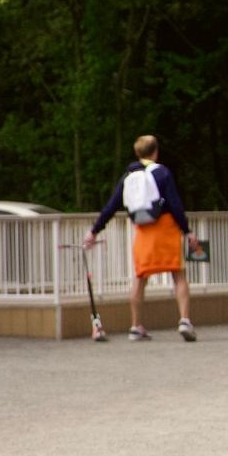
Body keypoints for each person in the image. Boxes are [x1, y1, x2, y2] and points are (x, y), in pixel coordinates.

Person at [83, 134, 195, 342]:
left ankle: (135, 325)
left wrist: (94, 230)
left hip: (143, 230)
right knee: (178, 275)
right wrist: (187, 231)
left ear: (137, 153)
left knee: (140, 277)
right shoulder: (162, 173)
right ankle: (184, 320)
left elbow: (112, 205)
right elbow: (175, 204)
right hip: (166, 228)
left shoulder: (129, 176)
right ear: (156, 152)